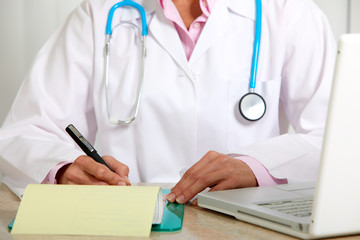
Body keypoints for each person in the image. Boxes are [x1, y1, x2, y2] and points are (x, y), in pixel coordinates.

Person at [0, 0, 336, 205]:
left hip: (246, 223)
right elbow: (24, 133)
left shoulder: (290, 13)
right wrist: (64, 169)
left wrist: (257, 166)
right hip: (131, 222)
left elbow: (337, 139)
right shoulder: (97, 14)